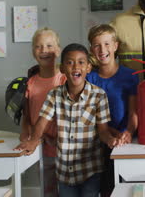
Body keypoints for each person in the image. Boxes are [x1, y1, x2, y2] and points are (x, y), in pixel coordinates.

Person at [15, 43, 123, 197]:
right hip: (65, 171)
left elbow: (103, 131)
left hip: (91, 169)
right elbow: (42, 122)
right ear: (62, 69)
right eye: (70, 62)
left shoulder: (99, 95)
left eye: (81, 62)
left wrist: (110, 140)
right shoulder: (54, 95)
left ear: (88, 67)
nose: (75, 67)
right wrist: (32, 141)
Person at [86, 24, 139, 197]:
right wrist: (111, 135)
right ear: (91, 49)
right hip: (99, 142)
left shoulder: (130, 75)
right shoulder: (89, 79)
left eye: (107, 44)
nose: (102, 49)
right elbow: (90, 116)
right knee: (107, 188)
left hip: (125, 141)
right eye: (97, 45)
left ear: (115, 46)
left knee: (127, 187)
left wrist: (129, 132)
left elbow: (133, 112)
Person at [20, 27, 66, 197]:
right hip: (41, 149)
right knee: (48, 191)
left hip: (64, 149)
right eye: (39, 46)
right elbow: (26, 114)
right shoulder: (30, 82)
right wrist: (26, 132)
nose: (44, 50)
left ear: (58, 50)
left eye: (49, 45)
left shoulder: (64, 79)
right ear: (33, 51)